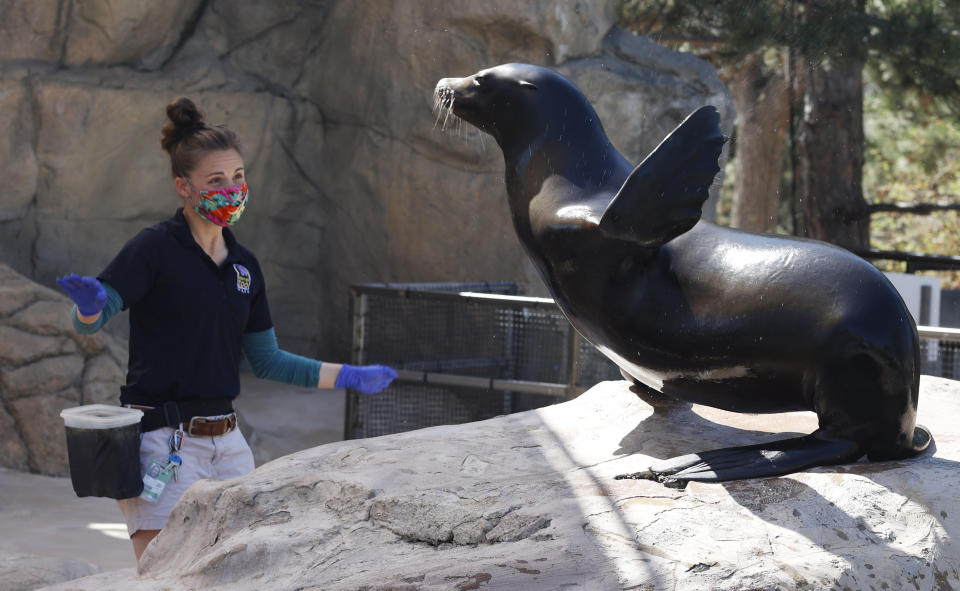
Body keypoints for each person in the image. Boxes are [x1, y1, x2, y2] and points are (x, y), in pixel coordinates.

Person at [57, 97, 397, 561]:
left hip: (230, 447)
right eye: (215, 180)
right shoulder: (154, 249)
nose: (231, 189)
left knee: (242, 569)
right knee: (165, 573)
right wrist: (92, 307)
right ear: (184, 186)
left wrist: (348, 377)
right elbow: (93, 317)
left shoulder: (244, 267)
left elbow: (269, 361)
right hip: (163, 443)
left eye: (237, 177)